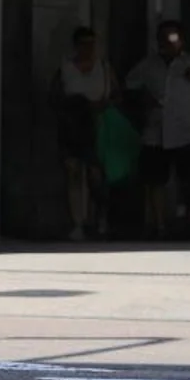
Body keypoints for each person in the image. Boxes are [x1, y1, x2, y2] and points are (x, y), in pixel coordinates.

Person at [125, 19, 190, 236]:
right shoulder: (148, 65)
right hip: (156, 131)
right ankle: (159, 224)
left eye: (173, 37)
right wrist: (143, 100)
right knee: (155, 180)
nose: (167, 42)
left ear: (181, 40)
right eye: (163, 37)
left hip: (185, 131)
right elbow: (129, 86)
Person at [51, 26, 119, 240]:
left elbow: (118, 94)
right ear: (76, 46)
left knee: (96, 175)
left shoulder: (104, 67)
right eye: (83, 44)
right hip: (72, 125)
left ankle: (100, 219)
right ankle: (77, 223)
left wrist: (103, 105)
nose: (88, 48)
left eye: (92, 44)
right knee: (73, 173)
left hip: (97, 125)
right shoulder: (66, 68)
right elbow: (53, 96)